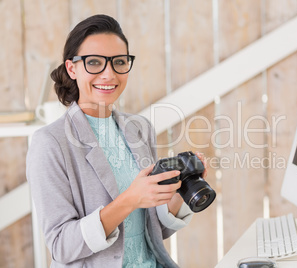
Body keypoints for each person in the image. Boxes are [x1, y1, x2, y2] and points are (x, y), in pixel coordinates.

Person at [26, 14, 207, 268]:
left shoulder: (140, 129)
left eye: (119, 62)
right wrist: (130, 199)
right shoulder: (50, 143)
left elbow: (155, 232)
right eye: (94, 63)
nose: (109, 74)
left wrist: (181, 192)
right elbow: (61, 245)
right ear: (72, 68)